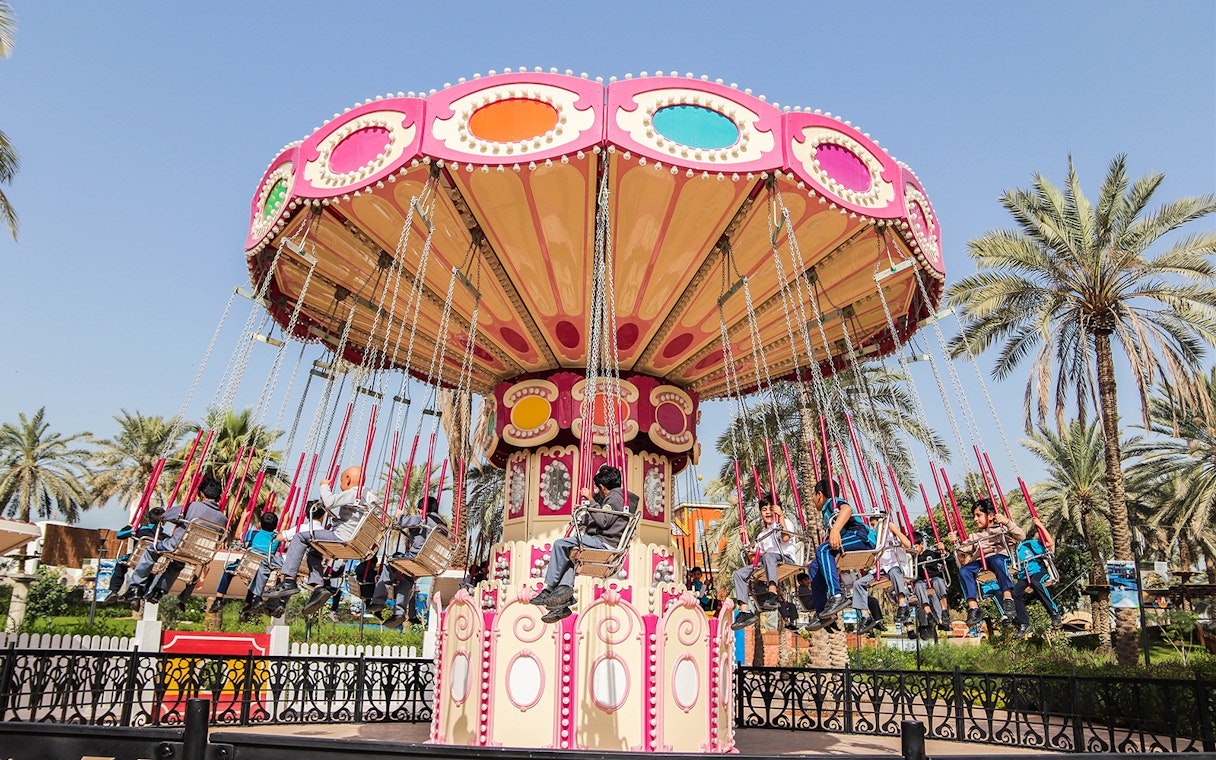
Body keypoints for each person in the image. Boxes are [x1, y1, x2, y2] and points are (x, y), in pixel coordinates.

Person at [531, 464, 636, 624]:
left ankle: (550, 588)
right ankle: (563, 600)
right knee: (571, 554)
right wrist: (586, 516)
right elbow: (606, 518)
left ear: (602, 487)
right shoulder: (620, 498)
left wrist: (591, 501)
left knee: (560, 544)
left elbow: (604, 520)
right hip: (606, 541)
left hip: (604, 543)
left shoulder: (614, 498)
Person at [267, 465, 379, 614]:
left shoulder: (355, 493)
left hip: (343, 537)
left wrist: (324, 486)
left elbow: (330, 502)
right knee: (314, 551)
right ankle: (319, 588)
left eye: (340, 481)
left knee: (300, 537)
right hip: (357, 542)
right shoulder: (371, 498)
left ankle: (288, 581)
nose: (340, 485)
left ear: (348, 479)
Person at [121, 476, 227, 603]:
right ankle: (159, 591)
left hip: (177, 546)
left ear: (202, 494)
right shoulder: (223, 519)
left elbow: (166, 515)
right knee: (178, 562)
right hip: (200, 553)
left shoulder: (193, 507)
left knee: (151, 551)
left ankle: (136, 587)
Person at [370, 496, 449, 628]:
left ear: (420, 510)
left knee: (391, 565)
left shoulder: (422, 518)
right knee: (407, 578)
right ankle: (399, 613)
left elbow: (402, 522)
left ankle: (378, 600)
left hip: (415, 557)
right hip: (431, 562)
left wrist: (399, 515)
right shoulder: (443, 526)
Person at [805, 478, 876, 623]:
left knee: (823, 550)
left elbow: (847, 509)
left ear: (819, 494)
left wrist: (835, 529)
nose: (813, 500)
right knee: (814, 566)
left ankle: (836, 595)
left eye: (814, 496)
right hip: (848, 541)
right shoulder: (826, 512)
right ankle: (821, 611)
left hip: (861, 537)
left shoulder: (833, 502)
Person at [948, 498, 1025, 629]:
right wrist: (954, 543)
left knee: (996, 560)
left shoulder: (1000, 530)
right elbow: (961, 553)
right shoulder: (974, 536)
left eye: (978, 515)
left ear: (990, 516)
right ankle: (973, 607)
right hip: (980, 562)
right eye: (974, 516)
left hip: (998, 558)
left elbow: (1021, 536)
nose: (975, 519)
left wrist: (1006, 522)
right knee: (964, 570)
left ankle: (1007, 599)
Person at [730, 493, 796, 631]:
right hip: (768, 562)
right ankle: (744, 611)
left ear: (777, 509)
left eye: (771, 509)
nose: (767, 512)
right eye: (764, 510)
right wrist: (746, 540)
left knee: (769, 556)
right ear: (761, 513)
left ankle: (772, 592)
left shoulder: (785, 523)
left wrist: (781, 516)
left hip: (785, 558)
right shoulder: (762, 535)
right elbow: (753, 559)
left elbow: (785, 538)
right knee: (739, 574)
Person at [208, 511, 281, 613]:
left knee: (228, 570)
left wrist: (243, 518)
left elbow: (237, 535)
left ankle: (219, 599)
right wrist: (285, 519)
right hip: (264, 571)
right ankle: (247, 606)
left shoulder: (252, 534)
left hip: (247, 567)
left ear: (260, 524)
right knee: (254, 578)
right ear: (275, 525)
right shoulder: (277, 539)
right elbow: (283, 531)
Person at [851, 516, 912, 634]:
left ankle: (903, 604)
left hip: (896, 566)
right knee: (858, 584)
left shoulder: (893, 536)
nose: (873, 528)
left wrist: (894, 530)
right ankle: (865, 616)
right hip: (881, 570)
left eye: (874, 525)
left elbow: (907, 544)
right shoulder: (875, 539)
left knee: (894, 572)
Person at [1011, 516, 1063, 637]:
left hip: (1038, 572)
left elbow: (1049, 543)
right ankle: (1024, 623)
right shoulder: (1011, 553)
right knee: (1014, 593)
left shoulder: (1028, 545)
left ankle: (1054, 612)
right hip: (1024, 577)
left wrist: (1039, 525)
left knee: (1036, 582)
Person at [108, 507, 165, 597]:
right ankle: (141, 595)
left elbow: (119, 535)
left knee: (121, 562)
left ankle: (114, 590)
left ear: (149, 519)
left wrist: (128, 527)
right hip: (154, 562)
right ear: (164, 522)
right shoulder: (164, 536)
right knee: (150, 569)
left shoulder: (140, 530)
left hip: (136, 558)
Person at [911, 531, 952, 637]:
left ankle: (944, 612)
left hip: (933, 578)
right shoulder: (911, 559)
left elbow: (949, 559)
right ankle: (928, 613)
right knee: (919, 587)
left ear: (921, 544)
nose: (914, 549)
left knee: (939, 582)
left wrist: (943, 549)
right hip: (921, 581)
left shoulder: (931, 553)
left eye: (915, 546)